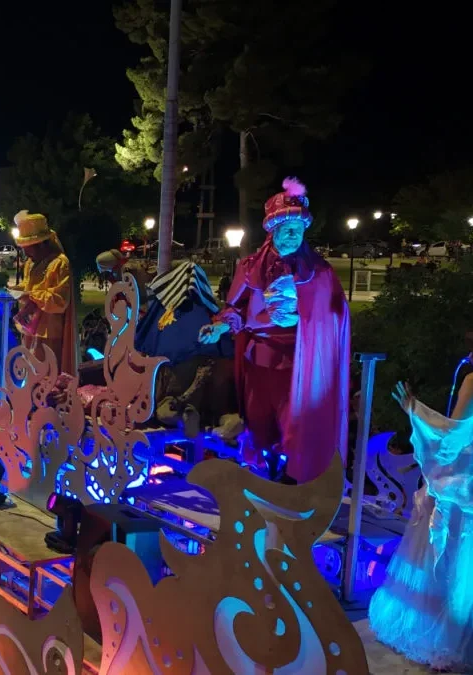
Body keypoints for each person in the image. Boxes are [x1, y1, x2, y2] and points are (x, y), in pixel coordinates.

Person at [198, 177, 350, 484]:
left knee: (295, 423)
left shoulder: (320, 272)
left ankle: (294, 479)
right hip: (259, 359)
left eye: (299, 229)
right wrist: (219, 327)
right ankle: (264, 473)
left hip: (299, 362)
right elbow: (236, 309)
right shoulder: (249, 268)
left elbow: (334, 317)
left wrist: (306, 315)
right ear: (273, 229)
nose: (293, 234)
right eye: (286, 228)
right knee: (258, 420)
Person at [367, 377, 473, 671]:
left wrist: (414, 410)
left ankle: (443, 640)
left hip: (461, 484)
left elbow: (452, 433)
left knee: (446, 563)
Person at [12, 210, 78, 377]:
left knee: (48, 381)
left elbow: (60, 301)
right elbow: (29, 285)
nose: (26, 254)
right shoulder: (30, 263)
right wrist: (18, 290)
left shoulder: (59, 263)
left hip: (50, 334)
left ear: (41, 244)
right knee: (28, 379)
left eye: (28, 248)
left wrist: (32, 295)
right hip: (30, 330)